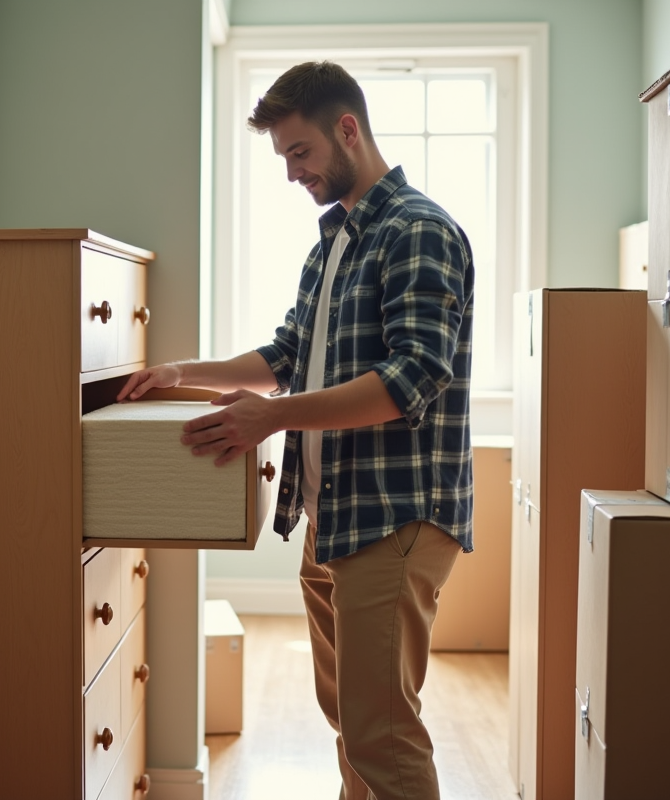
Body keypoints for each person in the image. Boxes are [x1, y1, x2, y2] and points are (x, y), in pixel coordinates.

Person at [117, 61, 474, 800]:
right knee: (353, 721)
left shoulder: (419, 232)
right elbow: (287, 355)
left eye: (299, 153)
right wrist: (183, 372)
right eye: (284, 158)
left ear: (348, 129)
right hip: (334, 517)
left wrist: (272, 416)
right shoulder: (333, 244)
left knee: (383, 733)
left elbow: (412, 380)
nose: (292, 173)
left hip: (393, 518)